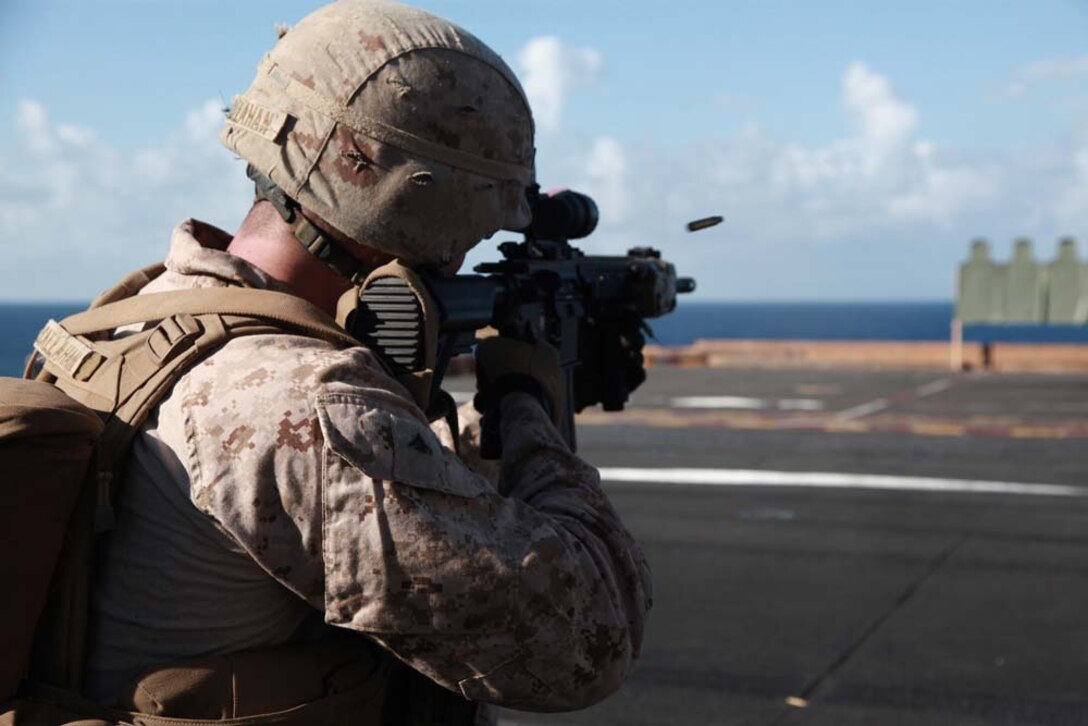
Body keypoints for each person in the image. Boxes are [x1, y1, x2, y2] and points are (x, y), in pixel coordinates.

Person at [80, 1, 651, 722]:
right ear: (431, 210)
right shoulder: (303, 403)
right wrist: (530, 407)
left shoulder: (140, 319)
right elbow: (582, 644)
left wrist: (480, 425)